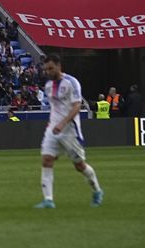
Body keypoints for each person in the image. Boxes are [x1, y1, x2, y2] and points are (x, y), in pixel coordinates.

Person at [34, 53, 103, 209]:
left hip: (70, 130)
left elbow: (77, 106)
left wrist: (63, 123)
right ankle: (48, 200)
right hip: (53, 129)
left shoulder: (72, 83)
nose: (48, 72)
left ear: (59, 66)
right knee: (46, 160)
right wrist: (52, 124)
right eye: (46, 69)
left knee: (79, 165)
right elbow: (55, 108)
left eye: (51, 68)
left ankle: (97, 191)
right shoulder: (48, 85)